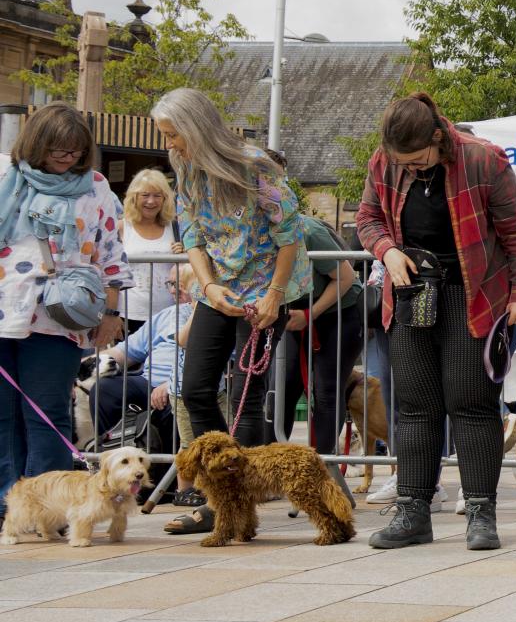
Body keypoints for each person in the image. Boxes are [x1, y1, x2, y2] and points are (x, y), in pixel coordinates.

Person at [354, 94, 516, 553]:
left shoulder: (483, 159)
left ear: (438, 138)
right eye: (403, 164)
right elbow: (368, 218)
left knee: (472, 404)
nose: (410, 170)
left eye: (417, 161)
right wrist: (387, 251)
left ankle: (481, 512)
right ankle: (413, 509)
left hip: (472, 295)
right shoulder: (383, 163)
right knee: (414, 407)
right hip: (413, 293)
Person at [154, 88, 297, 532]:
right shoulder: (186, 168)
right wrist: (209, 285)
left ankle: (230, 509)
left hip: (262, 292)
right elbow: (193, 235)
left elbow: (290, 235)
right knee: (195, 387)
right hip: (217, 293)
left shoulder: (254, 165)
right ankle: (222, 493)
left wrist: (275, 295)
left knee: (246, 400)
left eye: (173, 134)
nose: (169, 145)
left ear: (195, 128)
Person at [0, 105, 126, 502]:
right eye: (58, 149)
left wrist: (110, 311)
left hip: (60, 316)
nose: (67, 157)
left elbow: (110, 253)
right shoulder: (5, 177)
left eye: (75, 150)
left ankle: (45, 504)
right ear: (37, 143)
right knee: (3, 417)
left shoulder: (96, 187)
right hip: (5, 308)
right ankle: (7, 501)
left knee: (46, 413)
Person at [273, 182, 364, 461]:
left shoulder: (308, 231)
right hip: (295, 312)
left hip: (341, 308)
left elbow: (346, 278)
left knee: (326, 387)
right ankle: (276, 463)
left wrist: (310, 315)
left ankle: (322, 464)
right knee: (283, 386)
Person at [95, 265, 189, 475]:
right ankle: (113, 463)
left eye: (178, 284)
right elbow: (124, 352)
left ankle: (166, 476)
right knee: (105, 389)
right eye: (169, 284)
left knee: (178, 401)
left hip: (186, 384)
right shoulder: (166, 315)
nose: (172, 290)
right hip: (146, 381)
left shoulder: (212, 316)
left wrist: (172, 383)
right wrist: (83, 368)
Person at [119, 167, 177, 334]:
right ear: (134, 197)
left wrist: (182, 253)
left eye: (157, 196)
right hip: (128, 312)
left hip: (168, 313)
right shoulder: (122, 227)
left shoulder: (176, 228)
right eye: (145, 195)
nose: (151, 201)